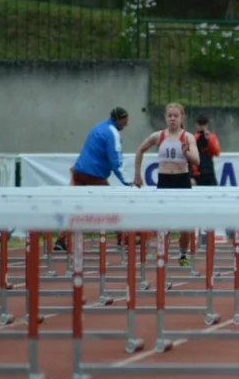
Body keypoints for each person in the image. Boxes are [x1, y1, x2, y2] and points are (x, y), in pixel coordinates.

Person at [52, 107, 130, 252]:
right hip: (94, 175)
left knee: (76, 208)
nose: (126, 124)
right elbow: (115, 160)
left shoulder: (98, 127)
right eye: (125, 121)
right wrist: (128, 181)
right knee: (114, 204)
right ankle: (122, 238)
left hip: (79, 172)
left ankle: (60, 240)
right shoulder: (112, 133)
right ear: (119, 119)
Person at [133, 103, 200, 265]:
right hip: (164, 181)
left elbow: (196, 160)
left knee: (185, 225)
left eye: (176, 116)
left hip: (182, 181)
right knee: (163, 222)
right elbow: (140, 150)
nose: (172, 119)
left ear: (182, 118)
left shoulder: (188, 137)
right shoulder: (158, 136)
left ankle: (183, 255)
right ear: (165, 117)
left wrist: (186, 152)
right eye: (169, 115)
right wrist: (137, 175)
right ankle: (162, 254)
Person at [191, 114, 222, 187]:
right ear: (196, 125)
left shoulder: (212, 137)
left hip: (209, 172)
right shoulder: (193, 138)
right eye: (200, 124)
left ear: (207, 125)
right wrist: (191, 176)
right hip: (197, 173)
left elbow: (217, 152)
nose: (202, 127)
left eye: (204, 124)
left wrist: (209, 140)